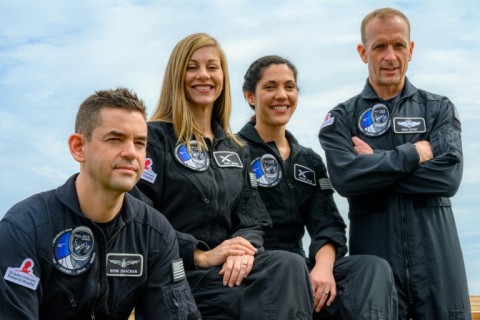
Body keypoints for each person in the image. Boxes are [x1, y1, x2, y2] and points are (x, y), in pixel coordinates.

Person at [133, 33, 313, 319]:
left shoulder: (236, 149)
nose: (203, 75)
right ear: (176, 76)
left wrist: (243, 250)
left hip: (227, 275)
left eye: (212, 67)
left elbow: (252, 219)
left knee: (289, 264)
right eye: (192, 67)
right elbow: (138, 217)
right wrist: (200, 254)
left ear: (223, 77)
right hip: (177, 274)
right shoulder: (152, 138)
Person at [319, 7, 471, 319]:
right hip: (377, 268)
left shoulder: (438, 109)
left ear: (411, 50)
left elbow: (448, 178)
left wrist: (374, 163)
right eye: (380, 46)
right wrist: (413, 155)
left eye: (399, 45)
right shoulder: (342, 119)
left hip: (438, 263)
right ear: (363, 52)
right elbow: (347, 179)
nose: (390, 56)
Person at [0, 88, 201, 319]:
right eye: (115, 139)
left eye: (139, 143)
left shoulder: (156, 233)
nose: (131, 153)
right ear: (78, 147)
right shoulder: (24, 227)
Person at [238, 55, 398, 319]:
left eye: (289, 87)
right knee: (287, 268)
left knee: (372, 268)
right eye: (270, 87)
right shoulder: (232, 152)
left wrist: (322, 269)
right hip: (255, 268)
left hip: (300, 266)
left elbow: (328, 224)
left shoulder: (309, 160)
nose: (282, 95)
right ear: (250, 97)